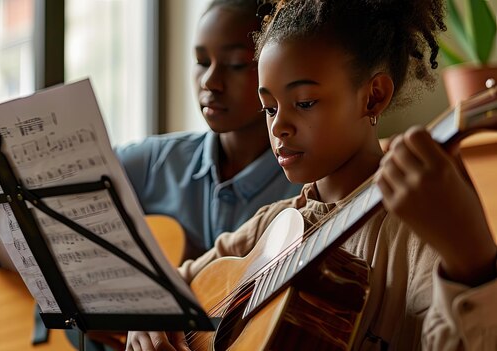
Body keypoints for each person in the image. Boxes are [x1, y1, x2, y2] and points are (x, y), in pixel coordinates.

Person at [126, 0, 497, 350]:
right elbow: (176, 281)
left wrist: (471, 261)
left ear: (373, 97)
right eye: (269, 108)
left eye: (304, 103)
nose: (279, 127)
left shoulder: (416, 235)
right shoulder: (272, 225)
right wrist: (152, 313)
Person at [0, 0, 301, 349]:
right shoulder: (156, 161)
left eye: (237, 64)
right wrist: (64, 288)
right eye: (200, 61)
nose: (210, 79)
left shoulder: (303, 188)